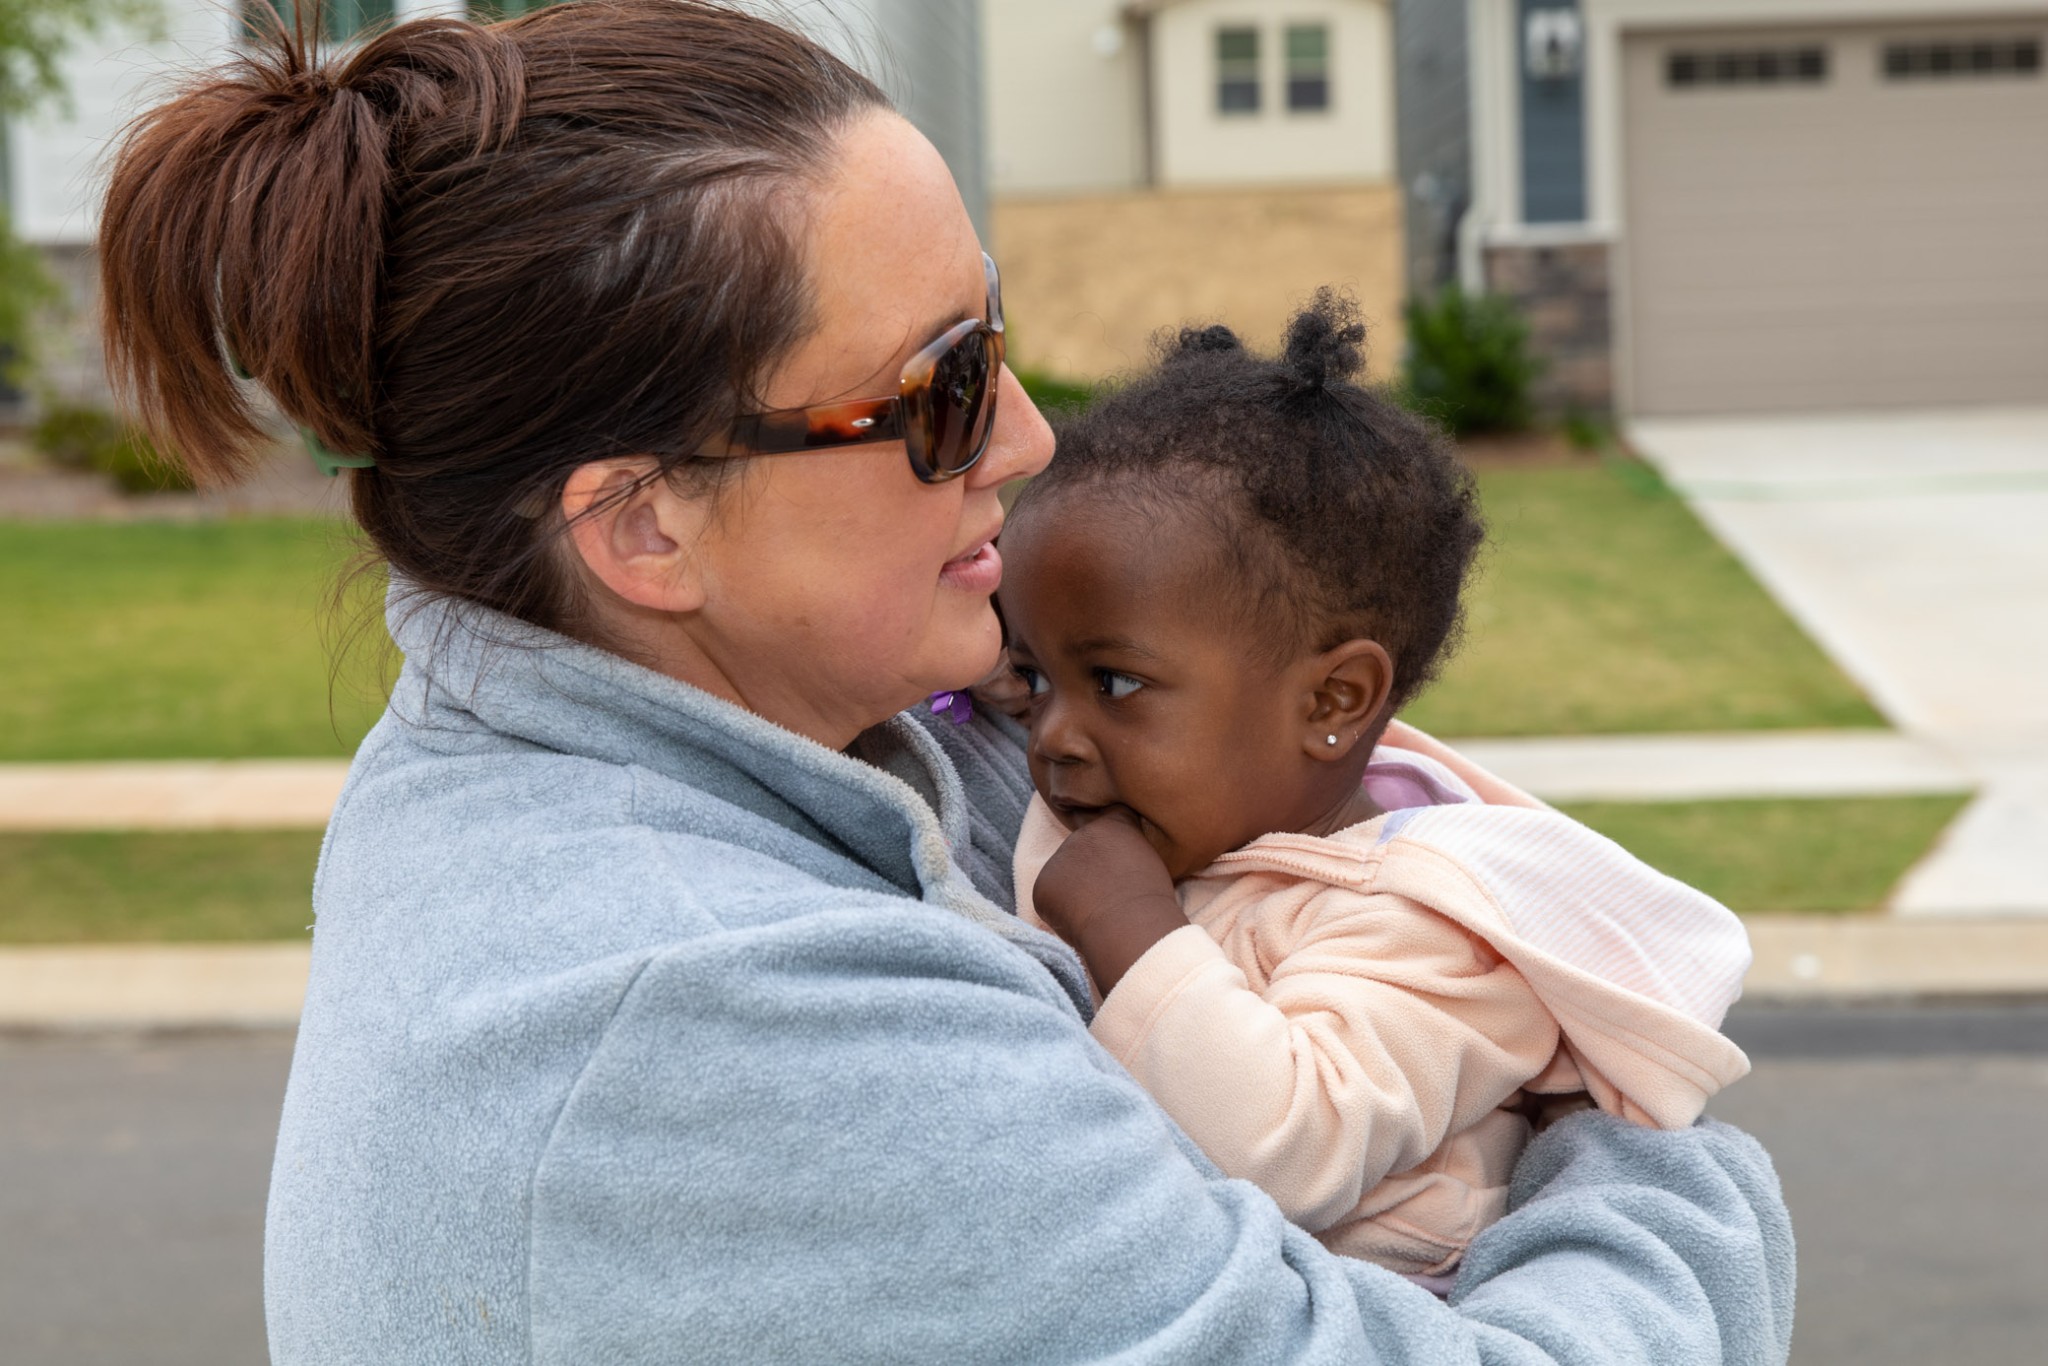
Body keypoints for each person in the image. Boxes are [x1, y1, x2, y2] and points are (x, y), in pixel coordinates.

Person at [95, 3, 1793, 1361]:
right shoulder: (722, 1016)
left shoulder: (806, 725)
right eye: (941, 389)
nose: (1033, 440)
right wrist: (1648, 1154)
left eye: (996, 337)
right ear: (642, 527)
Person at [997, 298, 1754, 1289]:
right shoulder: (1168, 817)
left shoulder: (1435, 925)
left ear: (1331, 698)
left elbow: (1285, 1147)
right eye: (1030, 676)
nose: (1051, 733)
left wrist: (1128, 923)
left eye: (1115, 682)